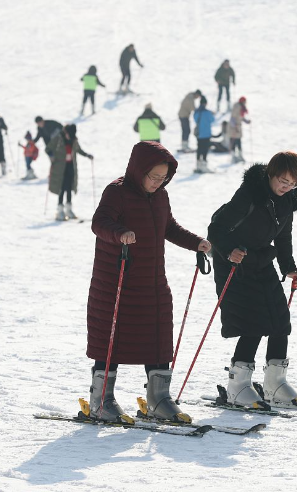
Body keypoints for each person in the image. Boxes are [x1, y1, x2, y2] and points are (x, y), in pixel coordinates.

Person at [84, 140, 211, 422]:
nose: (158, 182)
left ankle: (159, 399)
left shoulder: (161, 196)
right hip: (116, 282)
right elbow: (99, 223)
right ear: (138, 169)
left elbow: (169, 227)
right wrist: (120, 233)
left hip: (152, 283)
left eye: (163, 177)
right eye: (153, 176)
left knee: (158, 337)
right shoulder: (117, 192)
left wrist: (197, 243)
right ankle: (101, 400)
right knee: (111, 338)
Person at [207, 152, 297, 408]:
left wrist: (289, 267)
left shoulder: (288, 202)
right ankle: (238, 386)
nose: (287, 187)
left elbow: (283, 239)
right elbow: (216, 228)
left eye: (292, 183)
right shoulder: (250, 194)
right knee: (251, 323)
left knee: (279, 321)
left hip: (262, 260)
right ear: (271, 174)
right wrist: (230, 251)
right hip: (235, 263)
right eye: (283, 181)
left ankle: (276, 384)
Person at [48, 124, 93, 221]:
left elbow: (78, 150)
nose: (69, 136)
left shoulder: (73, 139)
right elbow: (48, 148)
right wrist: (51, 156)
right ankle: (60, 210)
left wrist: (87, 155)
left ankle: (69, 210)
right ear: (65, 132)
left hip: (70, 167)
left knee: (69, 188)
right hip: (60, 168)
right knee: (61, 188)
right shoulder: (58, 139)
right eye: (68, 134)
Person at [193, 96, 215, 173]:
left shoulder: (197, 112)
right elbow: (212, 120)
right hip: (206, 134)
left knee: (199, 149)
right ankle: (204, 166)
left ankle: (198, 166)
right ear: (205, 103)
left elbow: (195, 120)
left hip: (199, 134)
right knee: (205, 150)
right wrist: (213, 113)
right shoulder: (208, 112)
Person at [228, 96, 250, 164]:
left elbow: (240, 117)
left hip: (238, 127)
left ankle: (239, 156)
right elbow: (233, 118)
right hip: (234, 128)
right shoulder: (237, 107)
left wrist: (246, 121)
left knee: (238, 141)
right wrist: (235, 127)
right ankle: (233, 157)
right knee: (234, 141)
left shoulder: (241, 107)